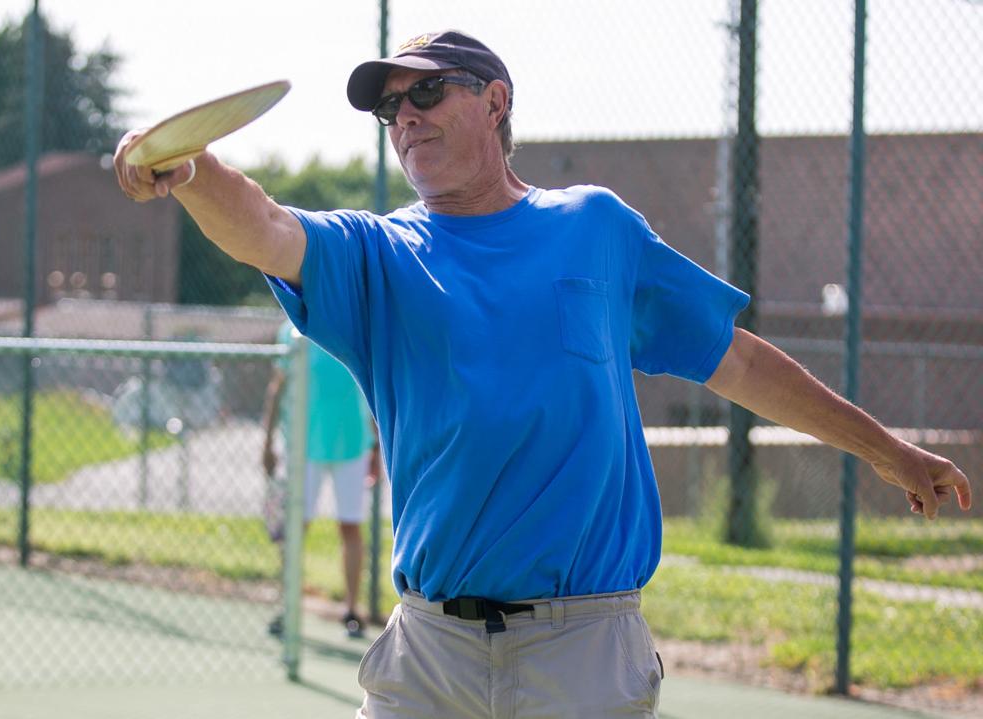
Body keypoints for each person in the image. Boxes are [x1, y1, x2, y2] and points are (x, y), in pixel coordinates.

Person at [115, 29, 972, 719]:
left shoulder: (596, 226)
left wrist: (887, 450)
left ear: (495, 101)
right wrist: (189, 170)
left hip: (584, 652)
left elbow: (737, 358)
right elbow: (264, 227)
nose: (404, 117)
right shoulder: (376, 253)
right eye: (388, 109)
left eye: (426, 92)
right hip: (428, 658)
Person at [262, 318, 381, 639]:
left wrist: (376, 445)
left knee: (350, 527)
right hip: (303, 448)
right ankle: (287, 607)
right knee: (294, 529)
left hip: (352, 445)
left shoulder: (352, 321)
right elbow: (277, 387)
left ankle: (351, 611)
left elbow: (370, 390)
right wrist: (267, 442)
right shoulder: (290, 330)